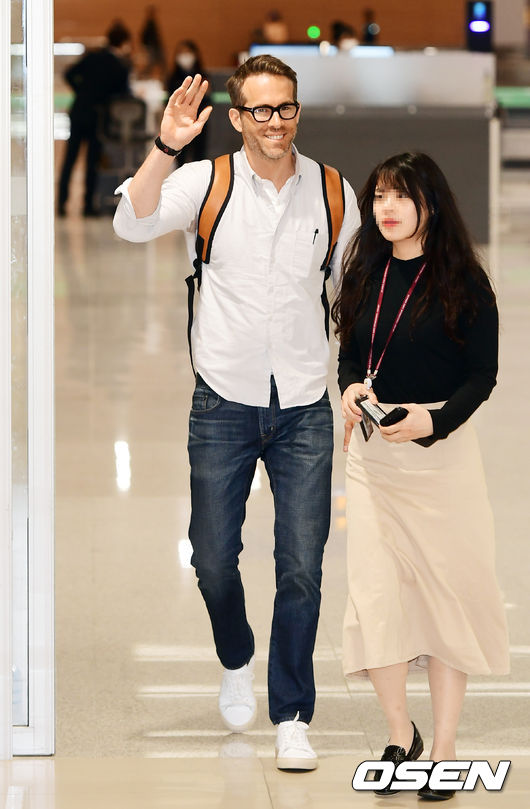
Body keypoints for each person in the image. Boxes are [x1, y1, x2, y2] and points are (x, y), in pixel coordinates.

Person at [113, 55, 360, 769]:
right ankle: (234, 651)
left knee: (303, 565)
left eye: (285, 108)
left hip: (304, 405)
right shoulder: (207, 181)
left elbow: (353, 291)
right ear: (235, 116)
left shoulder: (333, 192)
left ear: (297, 111)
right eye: (260, 110)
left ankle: (291, 712)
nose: (275, 122)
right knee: (215, 558)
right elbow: (131, 223)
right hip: (223, 398)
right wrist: (165, 147)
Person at [331, 152, 510, 801]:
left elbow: (481, 377)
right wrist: (351, 386)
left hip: (441, 455)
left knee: (444, 597)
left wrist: (433, 423)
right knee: (374, 594)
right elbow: (351, 352)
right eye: (380, 194)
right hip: (374, 456)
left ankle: (445, 746)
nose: (387, 207)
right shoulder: (366, 272)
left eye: (401, 195)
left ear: (431, 202)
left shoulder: (464, 282)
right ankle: (398, 731)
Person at [58, 21, 132, 217]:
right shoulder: (120, 66)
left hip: (79, 110)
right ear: (124, 43)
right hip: (98, 117)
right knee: (91, 161)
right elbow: (124, 95)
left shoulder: (92, 56)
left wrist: (80, 91)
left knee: (70, 159)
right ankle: (88, 205)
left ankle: (61, 203)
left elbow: (69, 73)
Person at [165, 41, 210, 164]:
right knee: (180, 154)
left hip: (199, 120)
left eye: (187, 52)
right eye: (181, 53)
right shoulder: (173, 77)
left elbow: (208, 98)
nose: (184, 56)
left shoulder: (203, 75)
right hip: (179, 121)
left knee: (199, 153)